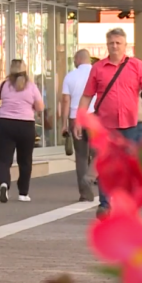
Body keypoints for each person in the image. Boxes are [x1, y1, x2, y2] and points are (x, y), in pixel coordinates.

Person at [74, 28, 142, 220]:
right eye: (111, 43)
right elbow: (87, 96)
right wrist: (80, 119)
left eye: (118, 43)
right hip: (107, 125)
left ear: (125, 45)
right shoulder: (98, 68)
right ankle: (105, 204)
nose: (115, 46)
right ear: (107, 45)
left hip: (132, 125)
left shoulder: (136, 65)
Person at [0, 59, 44, 203]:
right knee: (25, 161)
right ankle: (23, 193)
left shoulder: (4, 85)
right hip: (25, 126)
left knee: (4, 159)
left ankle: (4, 183)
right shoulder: (31, 87)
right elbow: (40, 107)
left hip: (4, 124)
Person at [61, 49, 96, 202]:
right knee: (99, 153)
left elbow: (66, 101)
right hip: (95, 117)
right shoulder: (97, 73)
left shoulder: (70, 76)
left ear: (77, 59)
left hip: (76, 118)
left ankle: (85, 193)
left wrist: (64, 124)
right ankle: (96, 180)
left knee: (81, 156)